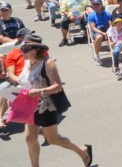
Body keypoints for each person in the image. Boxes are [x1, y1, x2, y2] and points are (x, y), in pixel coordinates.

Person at [18, 39, 92, 167]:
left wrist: (39, 91)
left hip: (46, 107)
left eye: (25, 49)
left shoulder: (48, 63)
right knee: (30, 138)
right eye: (22, 49)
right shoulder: (26, 63)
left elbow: (58, 86)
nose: (22, 52)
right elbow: (24, 83)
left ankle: (82, 151)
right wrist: (16, 95)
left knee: (53, 139)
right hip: (30, 107)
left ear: (35, 50)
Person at [87, 0, 111, 65]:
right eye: (94, 4)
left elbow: (111, 24)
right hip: (97, 33)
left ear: (101, 5)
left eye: (98, 4)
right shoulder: (91, 15)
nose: (96, 5)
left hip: (107, 32)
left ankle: (117, 52)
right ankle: (96, 55)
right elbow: (93, 28)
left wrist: (108, 32)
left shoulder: (107, 13)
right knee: (99, 37)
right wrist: (103, 33)